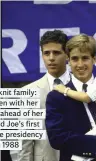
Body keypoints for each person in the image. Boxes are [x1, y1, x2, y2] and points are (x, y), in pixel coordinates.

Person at [45, 35, 96, 161]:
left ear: (94, 59)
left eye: (85, 58)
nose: (80, 64)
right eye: (75, 59)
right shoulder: (56, 97)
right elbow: (57, 138)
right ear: (68, 60)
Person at [17, 30, 70, 161]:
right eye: (46, 53)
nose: (51, 58)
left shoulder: (83, 88)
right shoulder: (26, 92)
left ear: (67, 55)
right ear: (42, 56)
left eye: (56, 53)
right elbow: (22, 144)